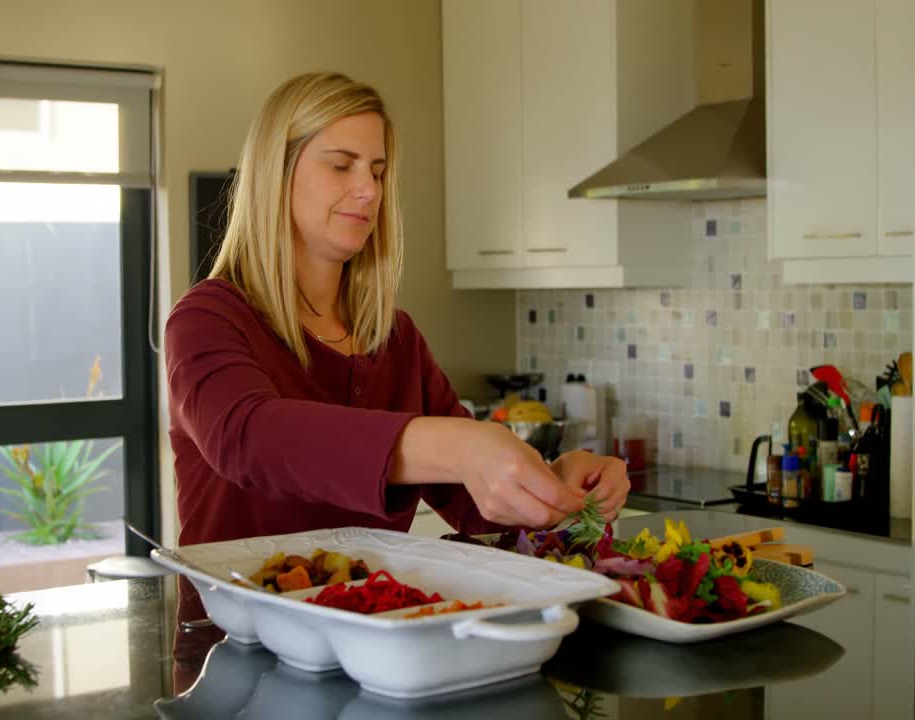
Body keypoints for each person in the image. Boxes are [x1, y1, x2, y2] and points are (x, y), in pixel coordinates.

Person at [165, 72, 629, 555]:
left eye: (378, 171)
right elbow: (250, 438)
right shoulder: (207, 319)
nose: (369, 189)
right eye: (343, 166)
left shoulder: (395, 339)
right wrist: (458, 446)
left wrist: (558, 488)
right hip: (230, 629)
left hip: (378, 625)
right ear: (276, 176)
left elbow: (478, 505)